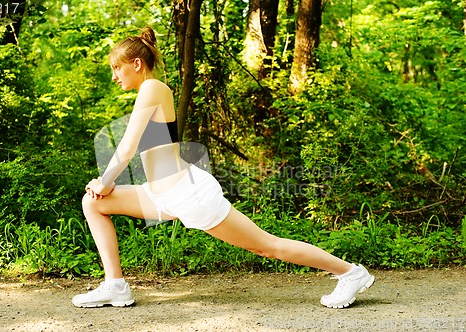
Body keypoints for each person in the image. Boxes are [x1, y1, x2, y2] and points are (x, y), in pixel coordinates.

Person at [72, 26, 374, 309]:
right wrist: (103, 185)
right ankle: (115, 285)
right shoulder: (147, 92)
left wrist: (105, 181)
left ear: (136, 64)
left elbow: (126, 148)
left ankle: (350, 272)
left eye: (117, 68)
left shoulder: (152, 87)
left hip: (187, 194)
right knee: (93, 203)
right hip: (158, 195)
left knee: (266, 246)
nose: (115, 76)